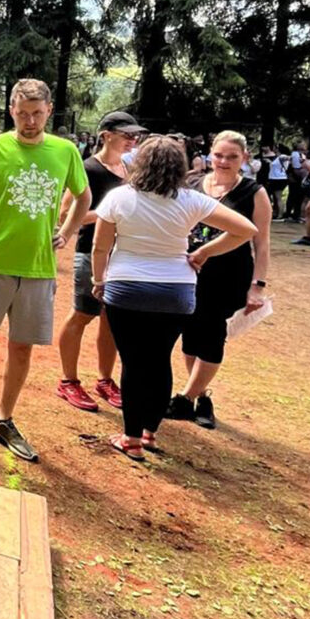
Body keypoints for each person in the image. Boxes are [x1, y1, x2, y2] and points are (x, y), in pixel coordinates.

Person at [0, 79, 90, 464]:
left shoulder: (65, 151)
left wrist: (69, 231)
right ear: (12, 110)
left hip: (38, 268)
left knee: (21, 347)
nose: (30, 121)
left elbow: (84, 195)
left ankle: (2, 420)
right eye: (22, 113)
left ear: (49, 111)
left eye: (37, 113)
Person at [90, 135, 257, 459]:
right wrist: (204, 252)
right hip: (176, 292)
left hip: (127, 289)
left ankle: (131, 439)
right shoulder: (190, 200)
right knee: (158, 360)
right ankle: (150, 434)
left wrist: (99, 281)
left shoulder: (119, 197)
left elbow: (100, 246)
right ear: (179, 166)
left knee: (134, 363)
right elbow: (245, 229)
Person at [167, 130, 271, 429]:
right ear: (210, 154)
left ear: (245, 158)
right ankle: (202, 397)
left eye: (232, 157)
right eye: (219, 155)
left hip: (228, 275)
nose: (224, 162)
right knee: (189, 337)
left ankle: (185, 399)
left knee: (212, 336)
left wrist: (258, 285)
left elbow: (261, 243)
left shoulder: (253, 192)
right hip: (188, 271)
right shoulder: (192, 183)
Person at [54, 112, 142, 413]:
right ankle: (68, 380)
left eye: (135, 135)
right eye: (126, 134)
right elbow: (67, 215)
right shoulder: (89, 168)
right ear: (105, 135)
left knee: (112, 318)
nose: (133, 139)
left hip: (122, 254)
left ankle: (105, 380)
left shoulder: (129, 168)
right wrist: (111, 213)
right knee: (82, 314)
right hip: (90, 253)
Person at [265, 144, 288, 220]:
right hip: (273, 178)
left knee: (278, 197)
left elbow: (287, 158)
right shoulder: (276, 157)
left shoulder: (282, 156)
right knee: (274, 197)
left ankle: (280, 215)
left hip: (279, 179)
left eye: (275, 148)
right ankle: (276, 212)